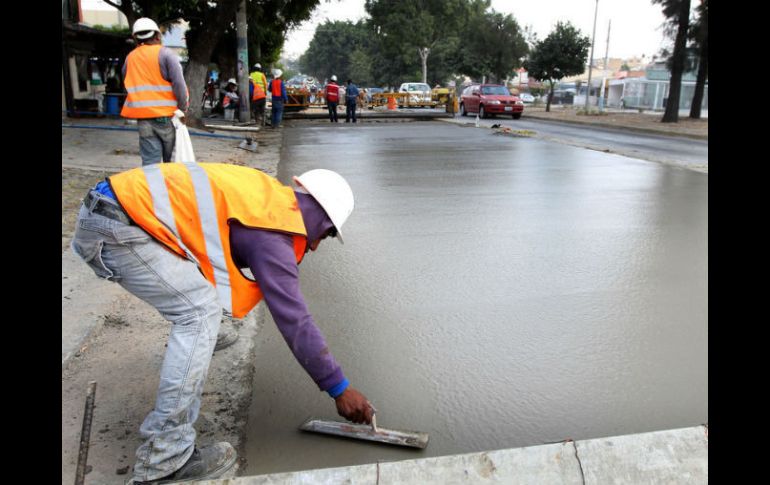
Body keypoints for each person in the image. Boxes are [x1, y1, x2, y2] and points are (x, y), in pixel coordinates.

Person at [71, 163, 374, 484]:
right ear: (321, 218)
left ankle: (200, 343)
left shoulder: (264, 196)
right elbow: (295, 320)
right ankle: (163, 459)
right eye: (325, 234)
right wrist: (338, 387)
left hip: (115, 212)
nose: (314, 245)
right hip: (117, 229)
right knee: (199, 314)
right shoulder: (272, 234)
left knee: (202, 310)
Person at [121, 18, 189, 165]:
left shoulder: (130, 58)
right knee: (171, 164)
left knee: (151, 166)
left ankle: (153, 188)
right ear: (158, 36)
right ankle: (169, 187)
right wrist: (183, 109)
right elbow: (179, 85)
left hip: (144, 120)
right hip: (167, 119)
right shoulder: (166, 55)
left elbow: (126, 81)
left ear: (135, 38)